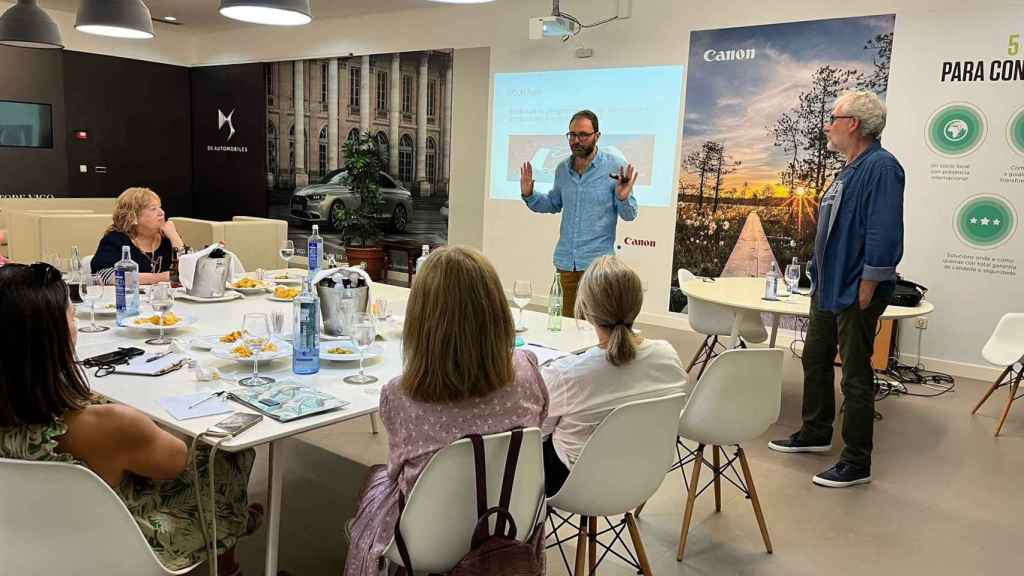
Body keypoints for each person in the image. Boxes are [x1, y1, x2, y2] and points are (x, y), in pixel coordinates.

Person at [0, 263, 259, 575]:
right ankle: (230, 525)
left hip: (21, 536)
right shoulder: (109, 425)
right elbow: (176, 461)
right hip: (118, 545)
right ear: (51, 335)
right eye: (71, 313)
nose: (77, 321)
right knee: (228, 452)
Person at [344, 246, 549, 576]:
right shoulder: (527, 371)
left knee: (377, 478)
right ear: (497, 312)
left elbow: (398, 472)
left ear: (421, 321)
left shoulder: (400, 396)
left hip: (426, 540)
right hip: (508, 523)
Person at [768, 90, 904, 488]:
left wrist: (870, 281)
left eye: (835, 118)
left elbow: (883, 230)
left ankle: (857, 461)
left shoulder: (881, 167)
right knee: (814, 356)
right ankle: (815, 431)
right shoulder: (849, 168)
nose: (828, 125)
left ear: (854, 124)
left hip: (856, 288)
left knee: (856, 374)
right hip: (829, 288)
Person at [540, 256, 687, 496]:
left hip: (576, 485)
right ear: (637, 303)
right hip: (644, 475)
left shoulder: (567, 375)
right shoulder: (668, 356)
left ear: (585, 309)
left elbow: (537, 432)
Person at [520, 110, 639, 316]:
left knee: (594, 329)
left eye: (583, 135)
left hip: (597, 267)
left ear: (597, 136)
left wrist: (622, 197)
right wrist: (529, 194)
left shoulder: (615, 166)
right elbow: (553, 203)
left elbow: (630, 215)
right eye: (572, 135)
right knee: (564, 327)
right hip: (566, 264)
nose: (577, 140)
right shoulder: (562, 169)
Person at [91, 187, 185, 285]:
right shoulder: (116, 239)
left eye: (160, 207)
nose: (162, 213)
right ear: (133, 217)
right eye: (153, 209)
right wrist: (160, 277)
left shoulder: (168, 237)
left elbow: (189, 271)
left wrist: (175, 237)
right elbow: (104, 275)